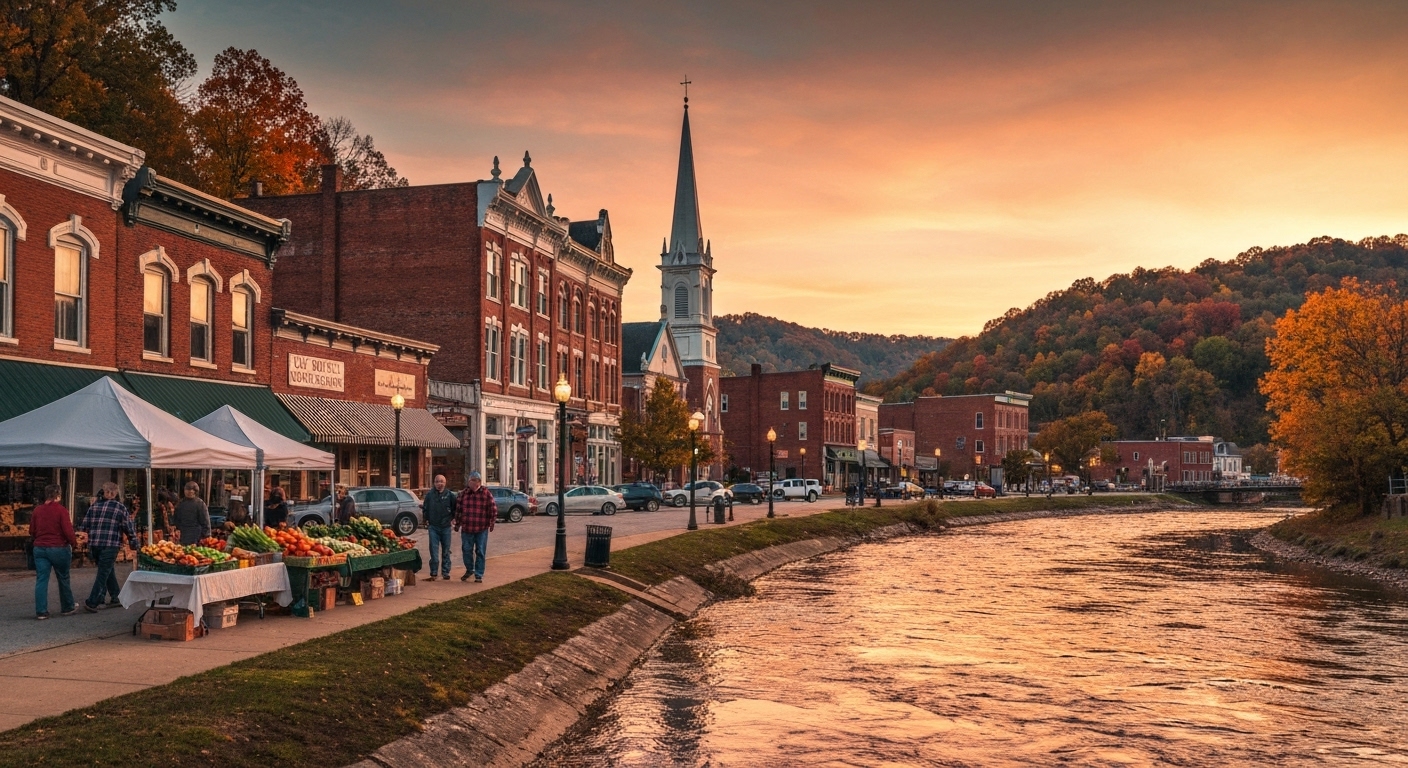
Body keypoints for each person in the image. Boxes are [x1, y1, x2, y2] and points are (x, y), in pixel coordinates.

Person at [80, 482, 139, 612]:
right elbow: (128, 528)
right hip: (111, 544)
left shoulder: (94, 507)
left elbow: (84, 525)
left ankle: (116, 596)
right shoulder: (120, 508)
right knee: (103, 572)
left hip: (95, 544)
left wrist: (85, 540)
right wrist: (134, 543)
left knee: (106, 569)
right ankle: (93, 601)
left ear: (104, 492)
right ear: (116, 493)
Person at [31, 484, 77, 620]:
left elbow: (31, 531)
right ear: (58, 495)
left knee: (41, 579)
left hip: (39, 547)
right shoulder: (61, 510)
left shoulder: (37, 511)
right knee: (63, 577)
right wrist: (74, 543)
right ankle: (67, 606)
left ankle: (41, 611)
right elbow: (68, 531)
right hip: (58, 547)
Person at [453, 471, 496, 583]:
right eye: (473, 481)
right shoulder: (463, 494)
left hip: (481, 528)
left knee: (480, 551)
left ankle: (479, 573)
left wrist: (491, 523)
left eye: (478, 482)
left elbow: (493, 509)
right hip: (467, 528)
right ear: (469, 482)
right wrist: (457, 524)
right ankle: (469, 569)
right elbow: (458, 511)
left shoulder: (486, 493)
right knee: (466, 550)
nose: (476, 484)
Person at [420, 475, 457, 581]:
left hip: (446, 527)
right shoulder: (430, 495)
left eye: (441, 481)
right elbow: (425, 508)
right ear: (434, 483)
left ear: (445, 483)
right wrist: (425, 520)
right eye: (437, 481)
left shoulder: (450, 495)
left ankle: (445, 572)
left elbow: (455, 509)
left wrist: (454, 519)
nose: (439, 483)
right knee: (434, 551)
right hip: (433, 527)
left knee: (446, 551)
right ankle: (434, 572)